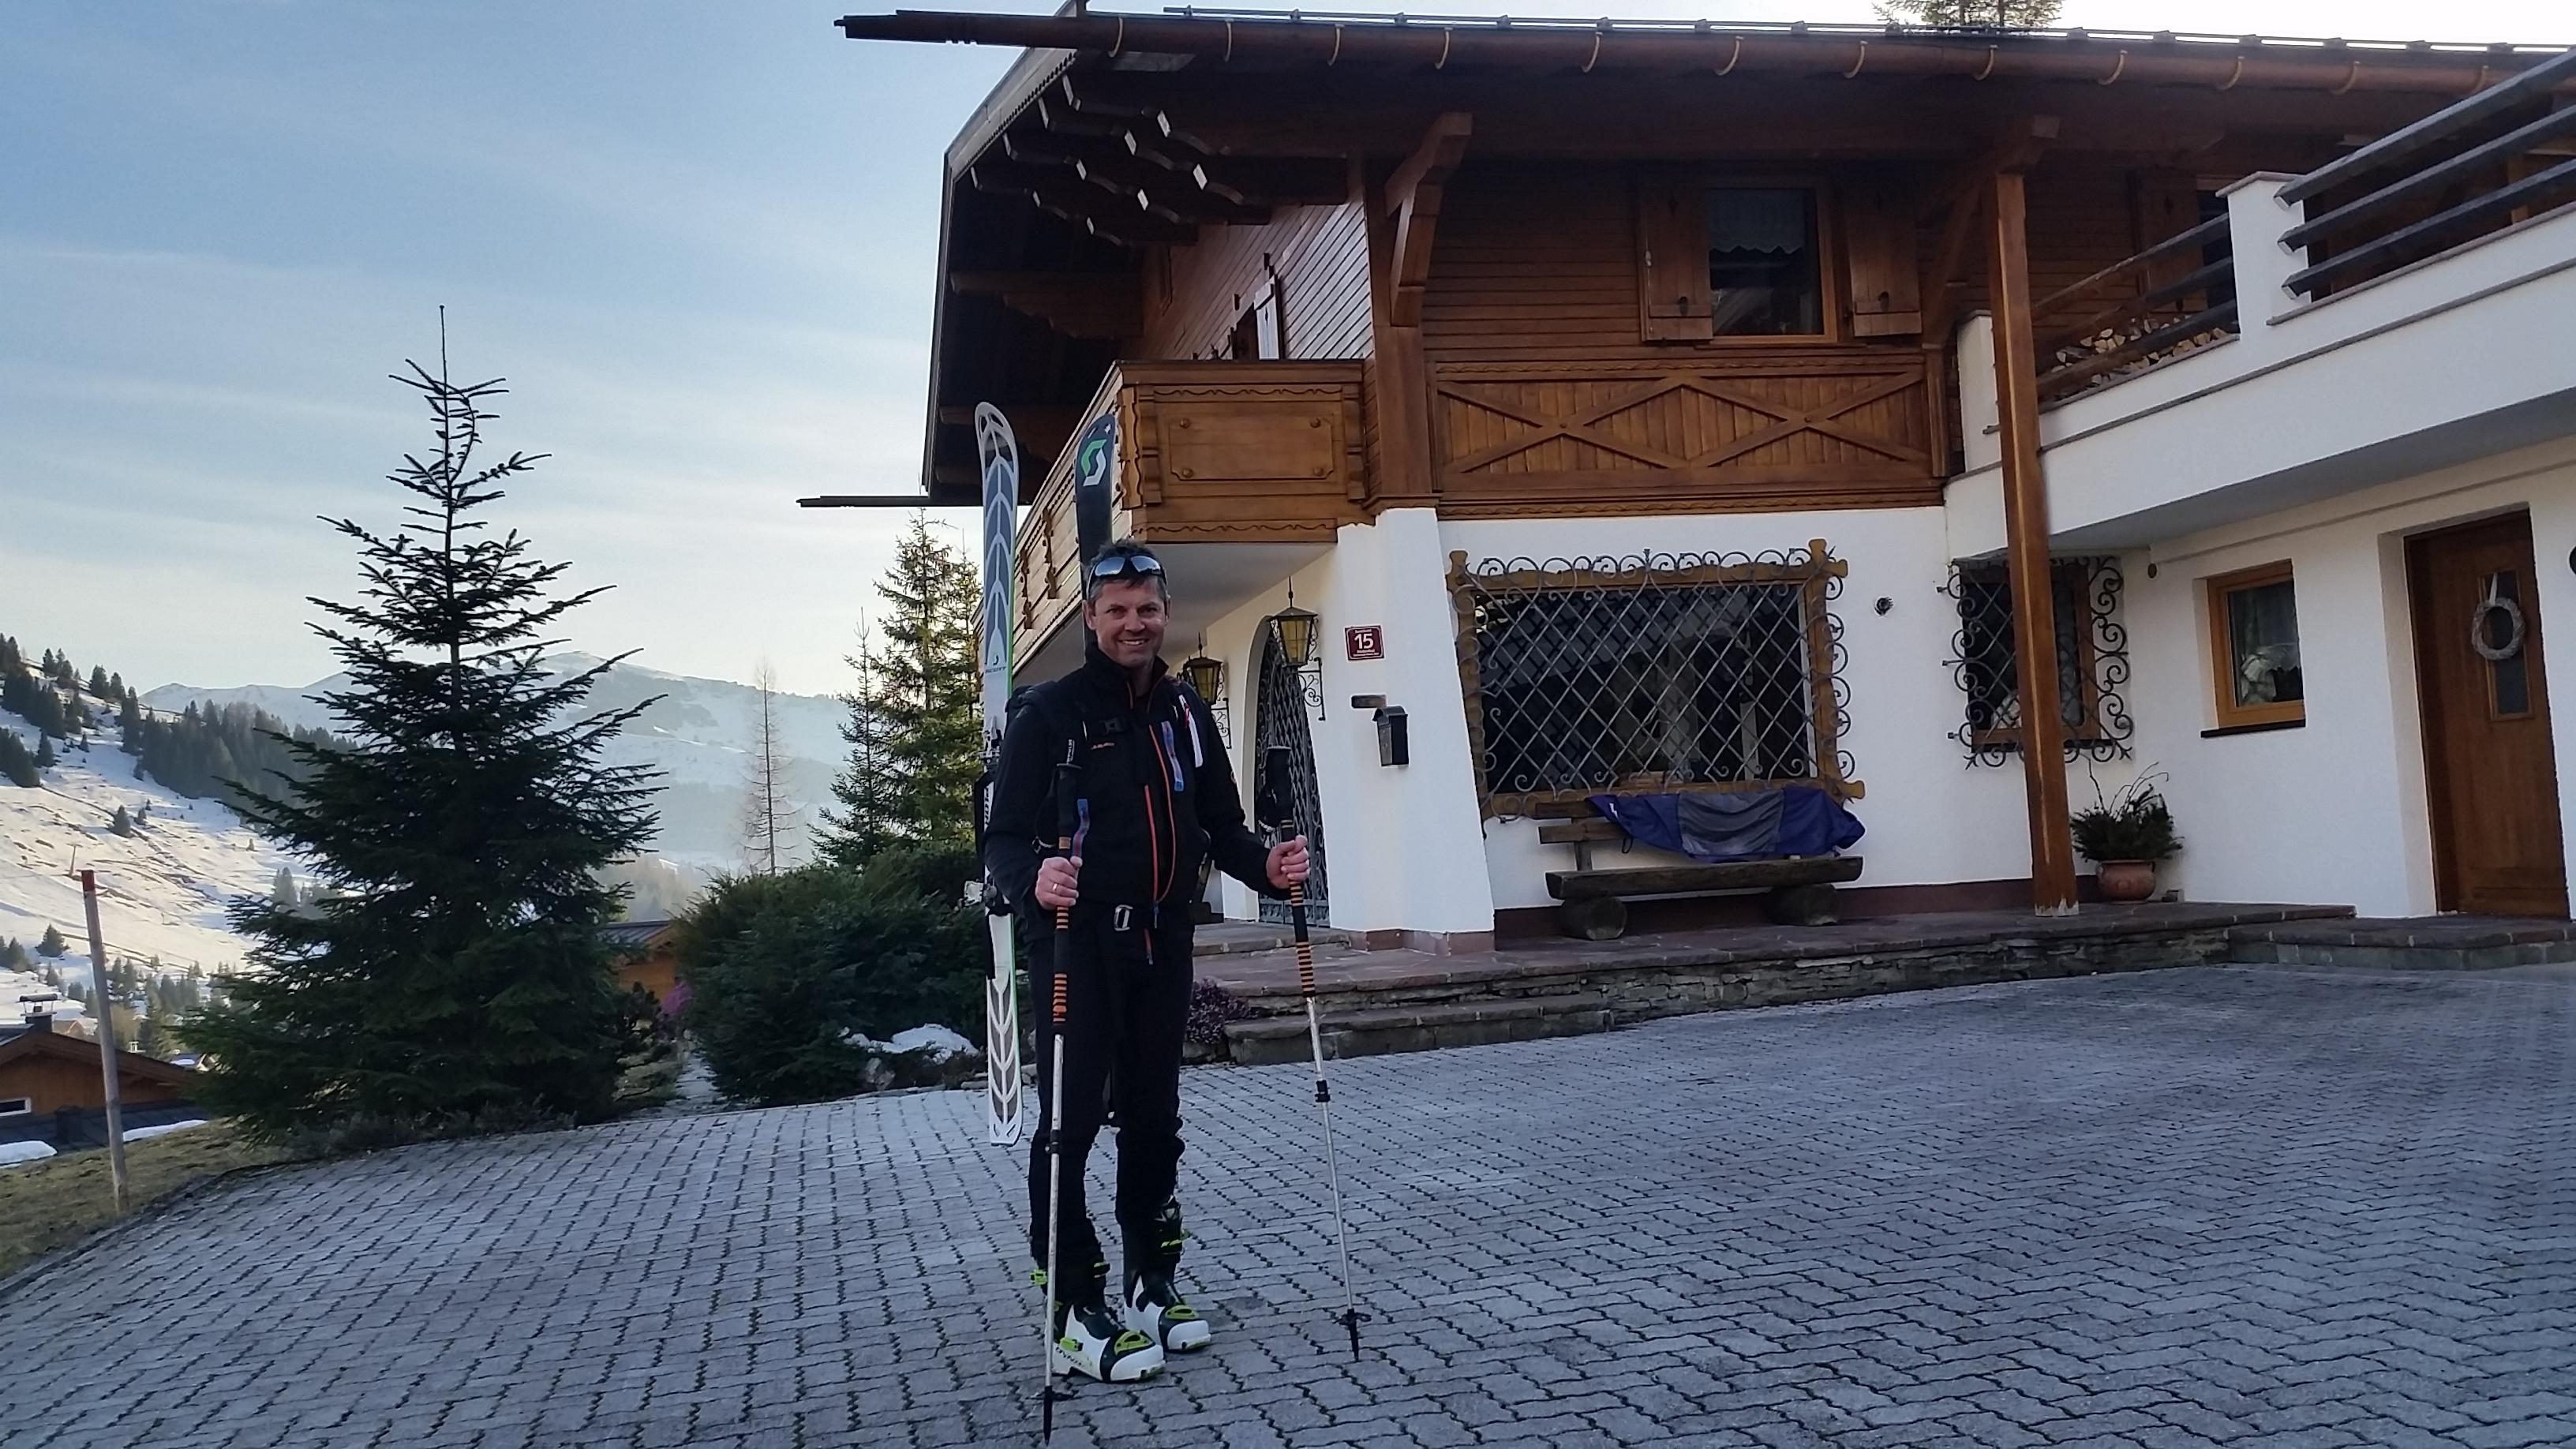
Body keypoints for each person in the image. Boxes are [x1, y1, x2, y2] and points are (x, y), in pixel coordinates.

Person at [983, 539, 1311, 1383]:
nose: (1135, 624)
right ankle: (1071, 1301)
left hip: (1164, 941)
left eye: (1148, 610)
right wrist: (1035, 877)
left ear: (1165, 614)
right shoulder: (1048, 714)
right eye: (1118, 611)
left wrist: (1266, 867)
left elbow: (1222, 825)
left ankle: (1148, 1282)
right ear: (1091, 618)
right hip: (1078, 945)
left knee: (1154, 1121)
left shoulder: (1185, 712)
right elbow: (1002, 842)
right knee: (1070, 1125)